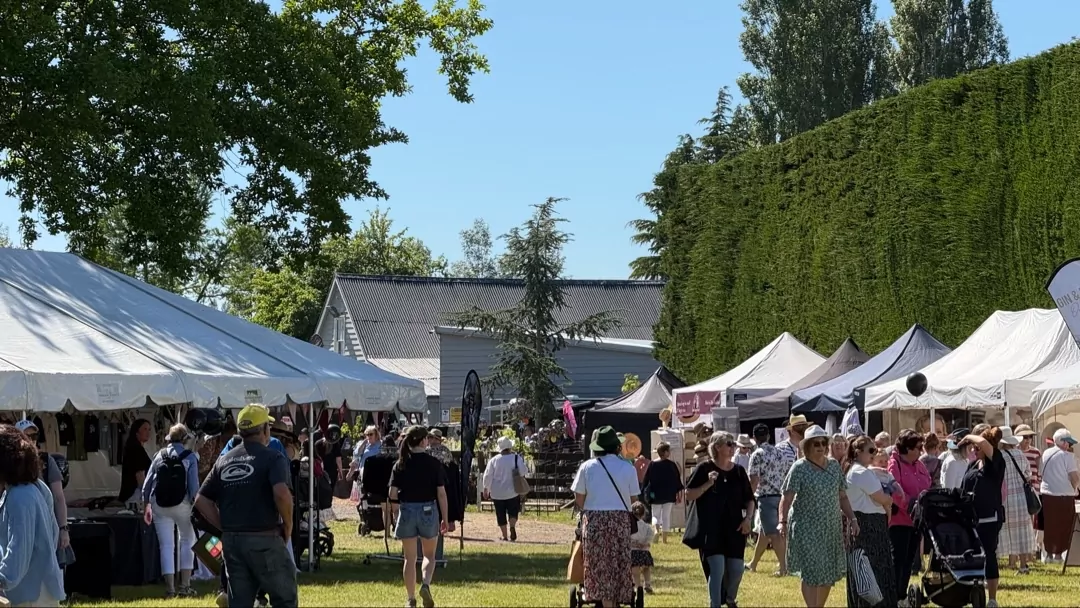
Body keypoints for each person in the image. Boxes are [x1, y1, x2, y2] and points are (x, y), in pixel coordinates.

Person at [195, 405, 297, 608]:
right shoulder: (273, 457)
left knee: (239, 602)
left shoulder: (223, 461)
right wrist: (288, 524)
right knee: (284, 599)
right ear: (265, 430)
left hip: (233, 543)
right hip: (264, 539)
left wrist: (224, 527)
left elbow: (201, 500)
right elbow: (281, 493)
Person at [780, 425, 857, 608]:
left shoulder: (834, 466)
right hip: (806, 526)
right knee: (811, 571)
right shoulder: (799, 467)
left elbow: (843, 496)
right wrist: (782, 521)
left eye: (824, 443)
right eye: (816, 443)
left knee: (827, 572)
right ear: (807, 446)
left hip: (830, 526)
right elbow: (787, 496)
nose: (821, 447)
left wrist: (852, 518)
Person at [571, 426, 640, 608]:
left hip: (595, 519)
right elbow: (634, 500)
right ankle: (615, 598)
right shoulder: (628, 468)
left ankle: (601, 597)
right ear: (617, 446)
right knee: (619, 560)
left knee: (596, 562)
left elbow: (579, 499)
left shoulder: (587, 467)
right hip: (620, 520)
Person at [685, 431, 755, 608]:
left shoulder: (739, 471)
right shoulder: (704, 469)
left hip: (735, 529)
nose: (733, 448)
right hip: (711, 530)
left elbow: (749, 499)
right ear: (717, 447)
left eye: (733, 444)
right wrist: (708, 484)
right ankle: (714, 605)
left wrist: (748, 519)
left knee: (737, 569)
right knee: (717, 570)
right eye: (729, 444)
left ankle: (730, 599)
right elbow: (689, 495)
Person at [0, 425, 66, 607]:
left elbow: (18, 548)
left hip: (30, 595)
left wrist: (2, 579)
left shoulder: (20, 497)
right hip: (37, 589)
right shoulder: (35, 487)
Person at [389, 426, 448, 608]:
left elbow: (392, 492)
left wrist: (396, 513)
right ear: (424, 441)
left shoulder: (400, 464)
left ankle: (410, 598)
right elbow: (441, 494)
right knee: (429, 555)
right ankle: (425, 584)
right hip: (428, 510)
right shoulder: (434, 463)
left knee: (409, 558)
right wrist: (445, 518)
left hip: (407, 509)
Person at [142, 423, 201, 598]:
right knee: (187, 542)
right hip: (182, 504)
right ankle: (185, 586)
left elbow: (147, 485)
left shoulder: (158, 455)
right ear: (185, 439)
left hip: (159, 504)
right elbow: (193, 486)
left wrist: (146, 505)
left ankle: (170, 589)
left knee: (166, 546)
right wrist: (195, 506)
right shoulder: (190, 457)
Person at [844, 435, 896, 608]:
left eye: (875, 450)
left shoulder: (857, 470)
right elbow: (881, 498)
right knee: (871, 572)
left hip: (866, 522)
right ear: (858, 452)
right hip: (869, 525)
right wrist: (888, 501)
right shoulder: (861, 472)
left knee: (864, 571)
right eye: (870, 451)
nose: (874, 454)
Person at [956, 426, 1005, 607]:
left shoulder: (996, 462)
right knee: (971, 555)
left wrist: (968, 436)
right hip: (970, 518)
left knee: (989, 555)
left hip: (989, 519)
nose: (974, 450)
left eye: (977, 448)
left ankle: (992, 598)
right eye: (973, 448)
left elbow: (983, 442)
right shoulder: (973, 465)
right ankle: (973, 591)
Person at [14, 420, 69, 556]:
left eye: (34, 436)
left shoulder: (46, 460)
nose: (31, 440)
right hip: (19, 525)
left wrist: (63, 528)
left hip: (45, 526)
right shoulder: (10, 462)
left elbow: (59, 497)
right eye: (27, 436)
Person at [887, 430, 932, 596]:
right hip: (900, 520)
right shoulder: (894, 464)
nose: (921, 451)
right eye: (918, 447)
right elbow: (894, 490)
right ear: (907, 448)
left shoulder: (919, 465)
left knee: (908, 561)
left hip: (916, 521)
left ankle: (901, 594)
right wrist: (911, 504)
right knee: (898, 560)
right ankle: (893, 594)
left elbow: (927, 483)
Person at [747, 423, 788, 575]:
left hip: (765, 497)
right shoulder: (780, 453)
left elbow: (754, 479)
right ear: (769, 436)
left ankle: (784, 567)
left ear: (754, 438)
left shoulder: (757, 454)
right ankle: (753, 563)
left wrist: (748, 496)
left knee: (773, 534)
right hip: (780, 496)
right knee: (764, 532)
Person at [997, 427, 1035, 574]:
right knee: (1022, 530)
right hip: (1021, 497)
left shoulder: (999, 456)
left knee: (1007, 529)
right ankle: (1023, 564)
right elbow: (1028, 474)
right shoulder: (1020, 454)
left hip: (1005, 497)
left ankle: (1010, 561)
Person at [1039, 428, 1079, 564]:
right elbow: (1074, 477)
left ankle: (1049, 553)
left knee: (1050, 525)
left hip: (1047, 494)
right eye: (1067, 442)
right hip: (1064, 495)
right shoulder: (1067, 456)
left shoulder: (1046, 453)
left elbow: (1041, 473)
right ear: (1061, 442)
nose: (1069, 446)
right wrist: (1076, 489)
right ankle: (1058, 555)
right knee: (1065, 525)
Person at [640, 442, 683, 544]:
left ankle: (655, 531)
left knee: (655, 515)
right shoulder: (672, 465)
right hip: (669, 494)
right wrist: (679, 490)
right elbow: (677, 480)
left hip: (655, 494)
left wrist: (643, 490)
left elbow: (646, 479)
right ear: (665, 452)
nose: (670, 452)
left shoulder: (653, 464)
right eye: (668, 450)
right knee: (666, 516)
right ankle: (664, 540)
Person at [482, 436, 523, 542]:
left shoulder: (494, 460)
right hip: (513, 491)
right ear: (510, 447)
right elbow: (523, 471)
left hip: (497, 492)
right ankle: (512, 526)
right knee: (513, 511)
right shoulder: (516, 458)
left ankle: (505, 536)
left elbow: (487, 476)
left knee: (500, 514)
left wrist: (486, 489)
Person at [1014, 424, 1042, 559]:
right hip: (1018, 492)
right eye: (1025, 436)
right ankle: (1022, 553)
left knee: (1031, 522)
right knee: (1020, 523)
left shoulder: (1036, 452)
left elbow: (1040, 471)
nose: (1028, 439)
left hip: (1032, 492)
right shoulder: (1014, 451)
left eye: (1030, 436)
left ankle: (1030, 552)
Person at [119, 419, 153, 506]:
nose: (148, 432)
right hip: (134, 494)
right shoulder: (135, 449)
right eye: (145, 429)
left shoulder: (134, 447)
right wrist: (146, 494)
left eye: (149, 429)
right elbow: (139, 475)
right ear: (137, 431)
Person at [629, 502, 655, 595]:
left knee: (635, 571)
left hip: (633, 551)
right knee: (646, 568)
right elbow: (651, 535)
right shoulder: (646, 527)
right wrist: (645, 543)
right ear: (643, 514)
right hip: (644, 551)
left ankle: (637, 586)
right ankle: (647, 584)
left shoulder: (630, 525)